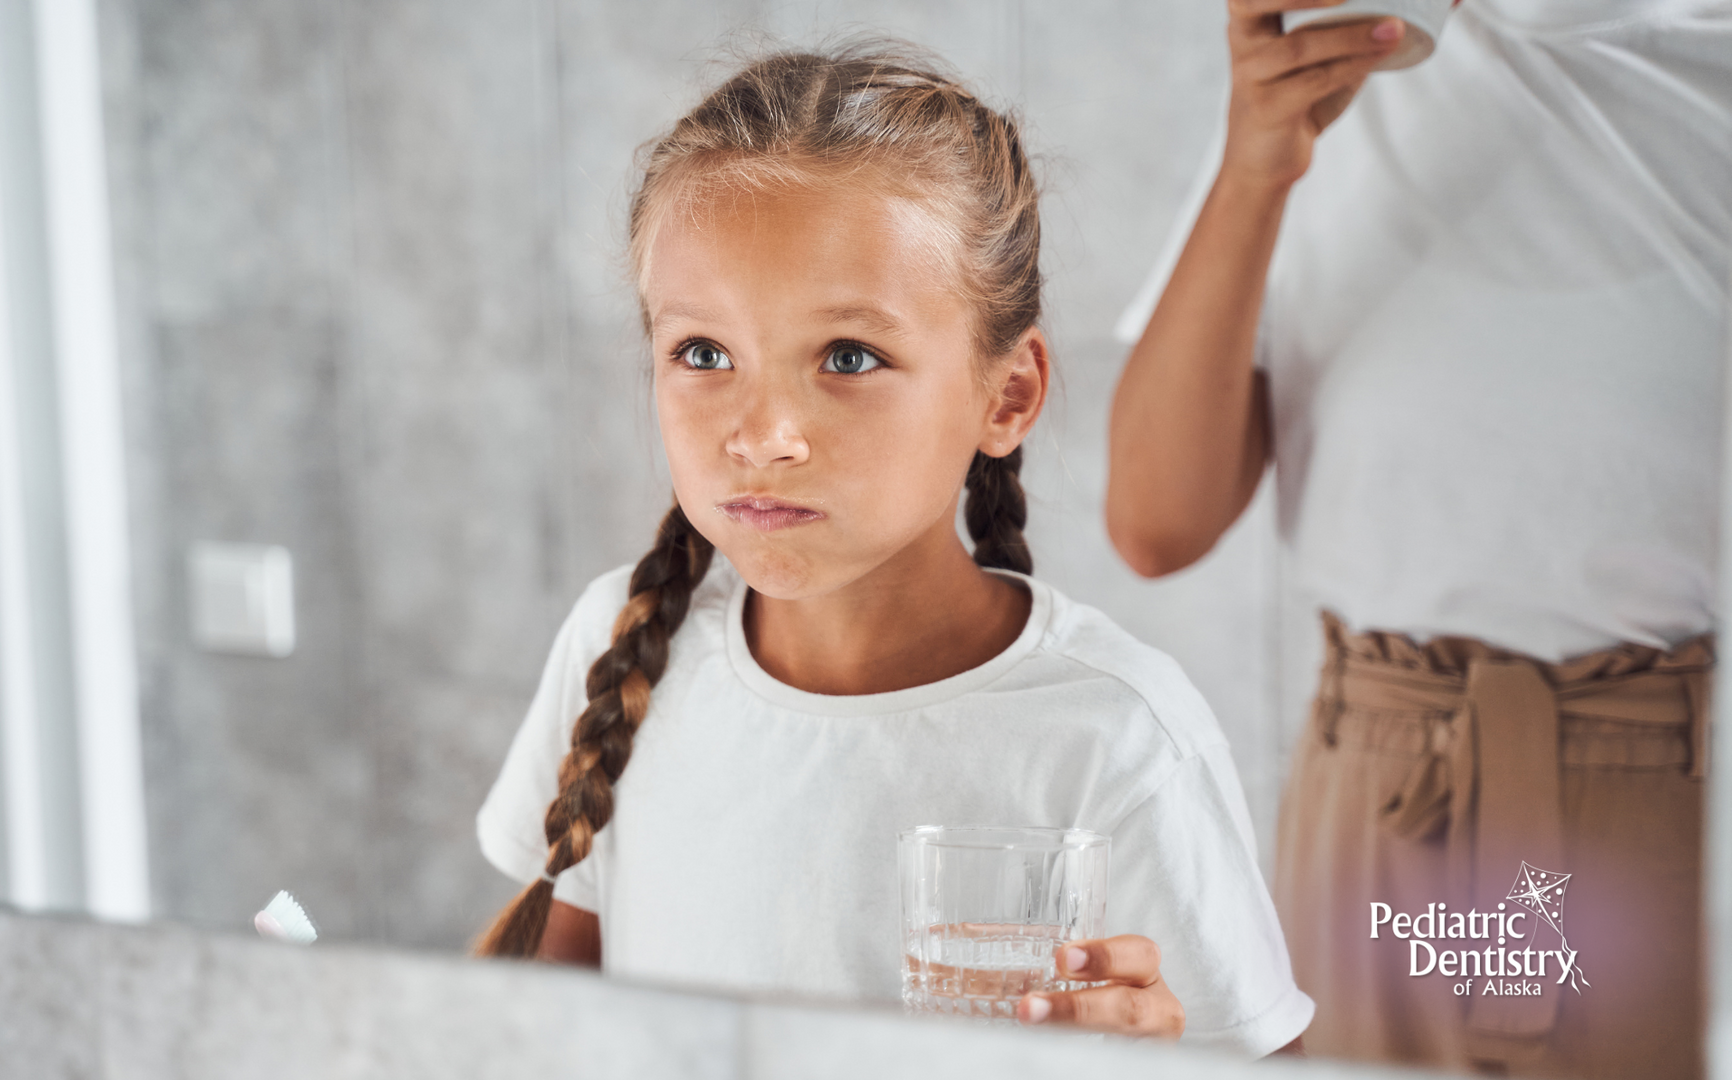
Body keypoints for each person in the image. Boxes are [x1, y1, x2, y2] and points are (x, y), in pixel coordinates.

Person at [473, 46, 1314, 1057]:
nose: (762, 434)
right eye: (704, 355)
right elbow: (523, 1032)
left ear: (1006, 395)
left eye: (849, 357)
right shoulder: (623, 647)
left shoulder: (1114, 741)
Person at [1109, 1, 1731, 1076]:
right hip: (1389, 789)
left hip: (1677, 789)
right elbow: (1158, 520)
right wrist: (1257, 164)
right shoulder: (1328, 79)